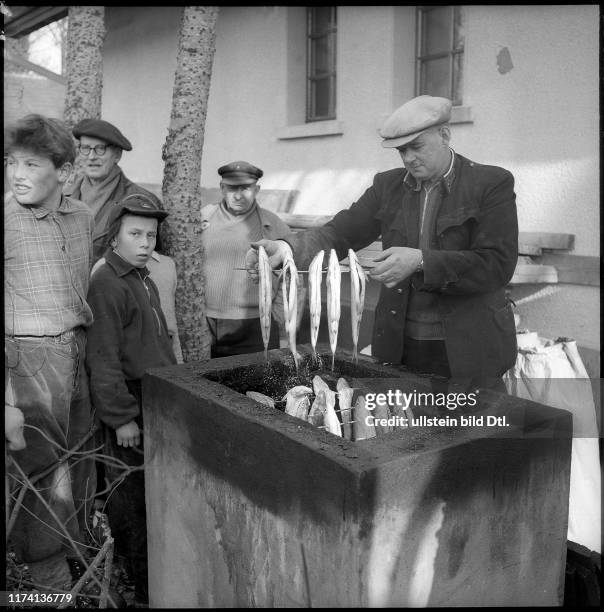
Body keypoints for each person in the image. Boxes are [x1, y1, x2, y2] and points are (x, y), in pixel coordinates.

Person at [246, 96, 518, 385]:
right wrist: (285, 248)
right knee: (404, 426)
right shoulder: (387, 186)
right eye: (402, 150)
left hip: (470, 349)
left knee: (472, 428)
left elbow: (497, 265)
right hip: (401, 346)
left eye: (417, 146)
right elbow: (338, 233)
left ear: (445, 135)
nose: (409, 158)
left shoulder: (491, 184)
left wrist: (422, 261)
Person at [4, 114, 96, 591]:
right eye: (10, 161)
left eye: (31, 163)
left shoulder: (81, 216)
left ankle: (76, 548)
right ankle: (45, 574)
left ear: (63, 172)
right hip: (26, 358)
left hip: (76, 352)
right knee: (38, 466)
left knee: (79, 456)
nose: (16, 174)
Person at [85, 194, 177, 605]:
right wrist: (122, 417)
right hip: (127, 399)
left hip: (153, 396)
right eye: (135, 234)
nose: (145, 243)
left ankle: (155, 573)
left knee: (150, 489)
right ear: (115, 235)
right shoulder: (107, 282)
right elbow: (102, 357)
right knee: (129, 498)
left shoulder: (142, 276)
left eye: (151, 235)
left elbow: (156, 340)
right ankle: (141, 585)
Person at [202, 160, 298, 358]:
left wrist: (281, 317)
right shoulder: (202, 219)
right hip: (206, 322)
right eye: (231, 188)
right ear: (221, 188)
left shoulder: (272, 224)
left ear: (257, 189)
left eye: (245, 188)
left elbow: (292, 275)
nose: (238, 195)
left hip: (255, 325)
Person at [64, 118, 163, 263]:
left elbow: (150, 264)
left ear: (117, 155)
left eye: (100, 149)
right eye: (85, 149)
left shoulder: (140, 201)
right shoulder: (63, 196)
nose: (91, 157)